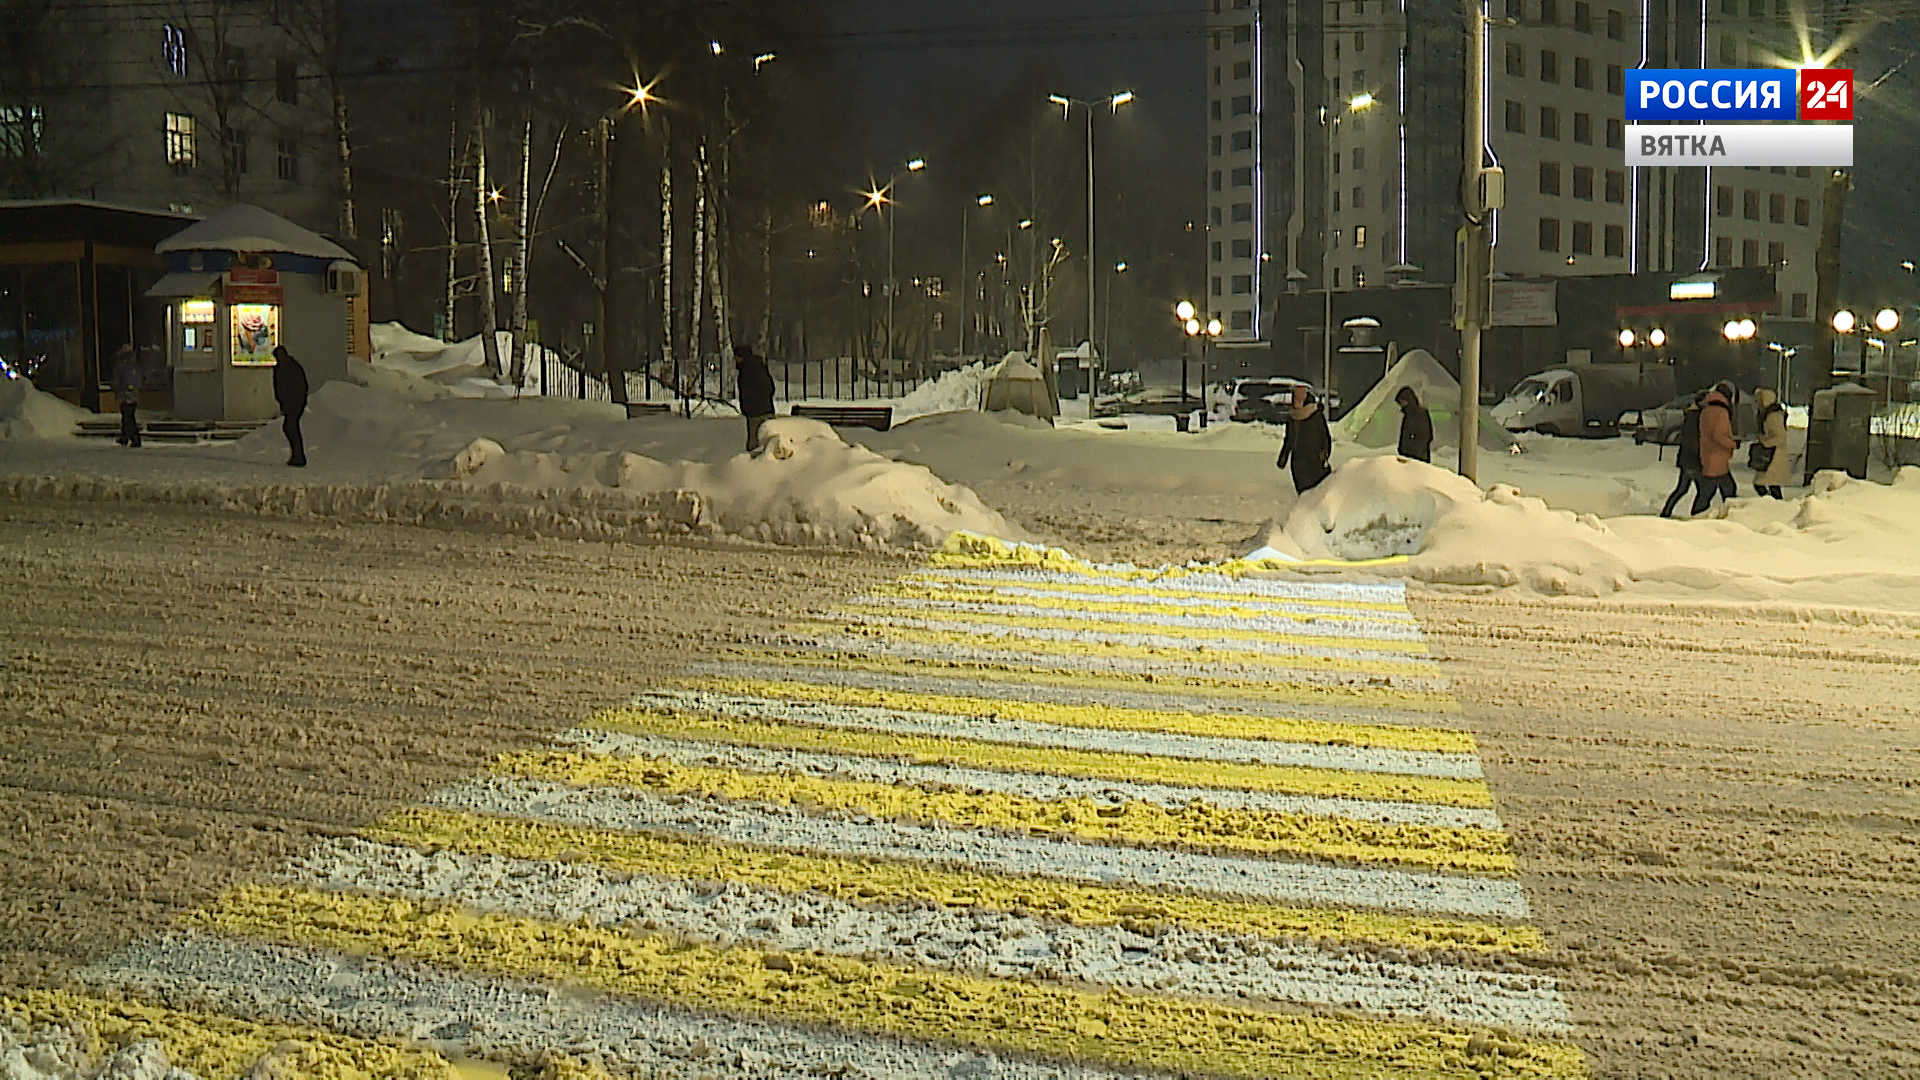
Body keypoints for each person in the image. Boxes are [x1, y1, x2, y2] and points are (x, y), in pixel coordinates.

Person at [1690, 381, 1739, 515]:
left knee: (1712, 490)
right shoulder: (1721, 411)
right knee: (1725, 489)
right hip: (1717, 456)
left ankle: (1698, 514)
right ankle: (1731, 515)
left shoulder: (1706, 410)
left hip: (1707, 454)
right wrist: (1733, 443)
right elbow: (1718, 435)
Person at [1276, 384, 1333, 494]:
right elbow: (1289, 439)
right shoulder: (1292, 417)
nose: (1298, 397)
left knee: (1316, 492)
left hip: (1314, 460)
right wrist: (1283, 457)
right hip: (1298, 461)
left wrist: (1324, 454)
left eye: (1302, 394)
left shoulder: (1315, 415)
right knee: (1303, 492)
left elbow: (1325, 437)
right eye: (1296, 394)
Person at [1659, 390, 1708, 518]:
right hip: (1692, 458)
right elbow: (1693, 440)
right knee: (1702, 490)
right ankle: (1696, 514)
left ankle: (1666, 511)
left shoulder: (1691, 414)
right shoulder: (1696, 416)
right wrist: (1698, 456)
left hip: (1686, 457)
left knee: (1683, 488)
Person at [271, 344, 309, 467]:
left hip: (294, 402)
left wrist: (296, 401)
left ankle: (299, 456)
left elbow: (298, 386)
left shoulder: (291, 367)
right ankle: (297, 455)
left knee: (290, 427)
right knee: (290, 427)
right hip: (289, 403)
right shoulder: (281, 368)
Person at [734, 343, 776, 451]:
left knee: (754, 443)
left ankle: (755, 465)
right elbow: (770, 387)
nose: (735, 359)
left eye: (737, 357)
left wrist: (748, 406)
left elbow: (747, 391)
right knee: (768, 439)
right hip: (767, 408)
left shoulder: (747, 370)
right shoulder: (759, 367)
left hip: (754, 411)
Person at [1751, 387, 1789, 498]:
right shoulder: (1770, 414)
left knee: (1764, 483)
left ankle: (1772, 505)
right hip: (1771, 455)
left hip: (1774, 455)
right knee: (1771, 484)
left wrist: (1764, 441)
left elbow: (1780, 438)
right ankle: (1773, 505)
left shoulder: (1773, 416)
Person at [110, 344, 142, 448]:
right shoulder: (134, 366)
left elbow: (119, 380)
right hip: (131, 395)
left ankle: (134, 438)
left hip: (125, 395)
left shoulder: (123, 367)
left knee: (128, 417)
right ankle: (126, 436)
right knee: (127, 417)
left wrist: (119, 389)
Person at [1395, 385, 1433, 463]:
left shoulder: (1419, 414)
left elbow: (1424, 435)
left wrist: (1412, 452)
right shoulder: (1408, 415)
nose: (1401, 404)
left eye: (1402, 401)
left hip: (1417, 458)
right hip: (1410, 456)